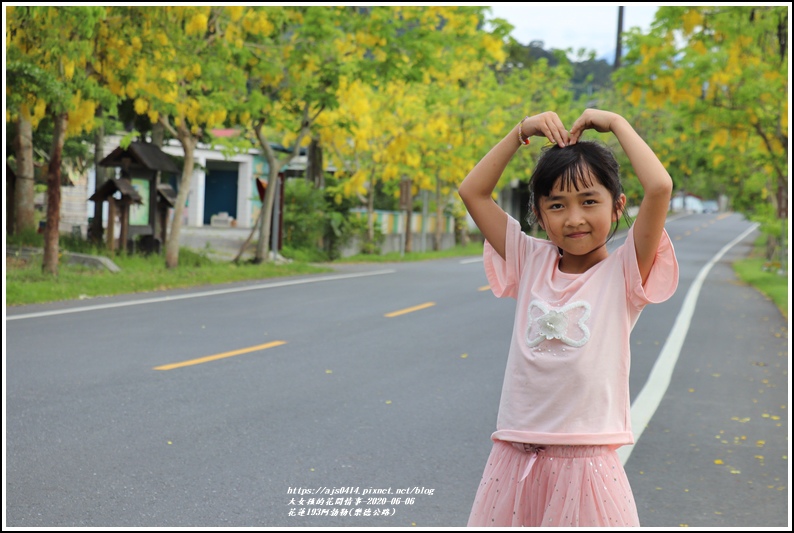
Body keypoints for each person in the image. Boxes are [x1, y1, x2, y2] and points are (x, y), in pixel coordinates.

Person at [458, 109, 679, 527]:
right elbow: (473, 192)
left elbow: (660, 186)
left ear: (617, 207)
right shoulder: (528, 259)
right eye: (557, 205)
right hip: (513, 458)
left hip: (586, 464)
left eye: (589, 201)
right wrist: (520, 131)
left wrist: (615, 123)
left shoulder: (625, 271)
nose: (574, 218)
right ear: (540, 216)